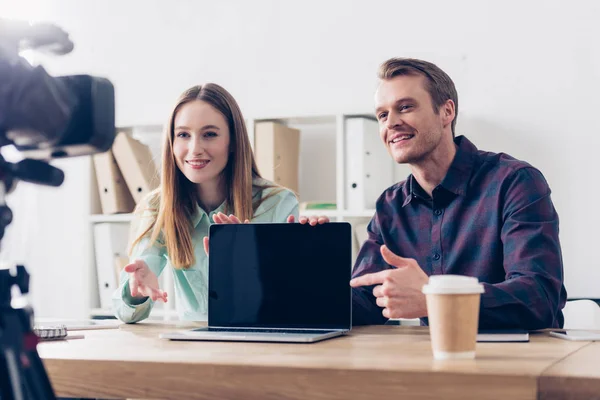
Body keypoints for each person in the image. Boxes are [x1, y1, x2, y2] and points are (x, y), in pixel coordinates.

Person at [349, 58, 566, 329]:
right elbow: (367, 299)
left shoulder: (515, 182)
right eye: (382, 115)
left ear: (446, 112)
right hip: (435, 362)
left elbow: (539, 298)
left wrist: (434, 297)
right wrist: (305, 276)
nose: (390, 123)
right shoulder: (390, 206)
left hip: (520, 363)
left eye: (405, 107)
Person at [112, 83, 320, 323]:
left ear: (232, 142)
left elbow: (293, 300)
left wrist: (253, 266)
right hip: (193, 348)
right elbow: (126, 311)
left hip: (261, 342)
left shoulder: (276, 203)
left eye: (209, 134)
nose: (194, 149)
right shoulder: (156, 207)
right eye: (183, 135)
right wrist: (136, 291)